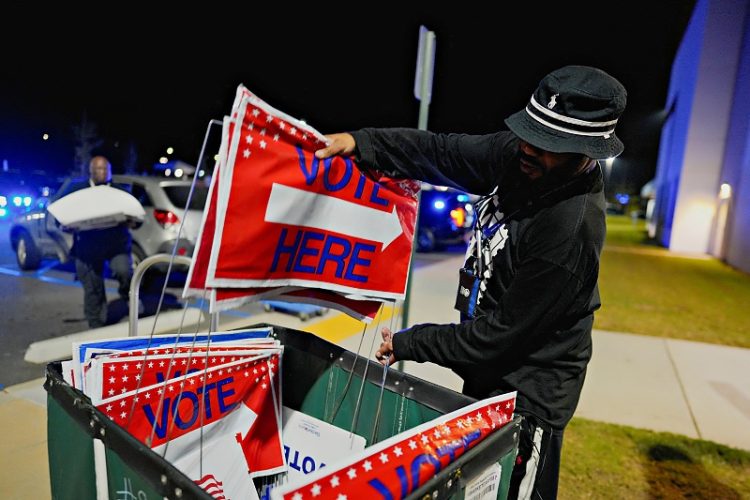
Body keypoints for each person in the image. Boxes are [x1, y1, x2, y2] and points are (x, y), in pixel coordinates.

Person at [315, 65, 627, 499]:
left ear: (586, 153)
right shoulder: (523, 156)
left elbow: (496, 338)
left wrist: (411, 343)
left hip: (529, 398)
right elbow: (441, 152)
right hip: (488, 370)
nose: (528, 148)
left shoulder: (569, 232)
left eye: (548, 145)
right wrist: (363, 143)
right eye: (530, 132)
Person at [58, 156, 134, 328]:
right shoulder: (77, 190)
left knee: (124, 272)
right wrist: (65, 225)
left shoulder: (120, 191)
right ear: (90, 171)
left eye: (106, 169)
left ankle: (127, 294)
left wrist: (132, 221)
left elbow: (136, 215)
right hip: (88, 245)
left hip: (116, 244)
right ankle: (96, 324)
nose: (102, 172)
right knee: (92, 285)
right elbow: (60, 212)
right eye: (98, 169)